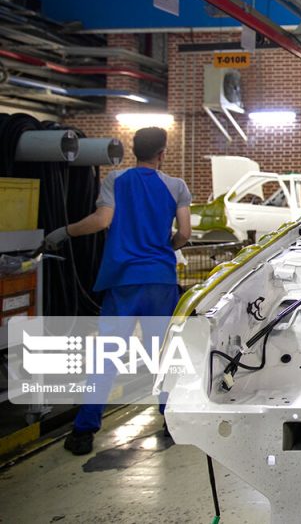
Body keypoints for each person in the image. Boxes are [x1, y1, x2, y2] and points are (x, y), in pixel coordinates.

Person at [44, 127, 192, 455]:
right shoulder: (177, 186)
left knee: (107, 356)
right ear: (162, 153)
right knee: (164, 355)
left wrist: (64, 232)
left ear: (133, 150)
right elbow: (184, 232)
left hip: (122, 281)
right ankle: (171, 421)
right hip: (160, 282)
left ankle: (83, 432)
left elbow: (101, 221)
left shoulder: (115, 180)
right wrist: (165, 249)